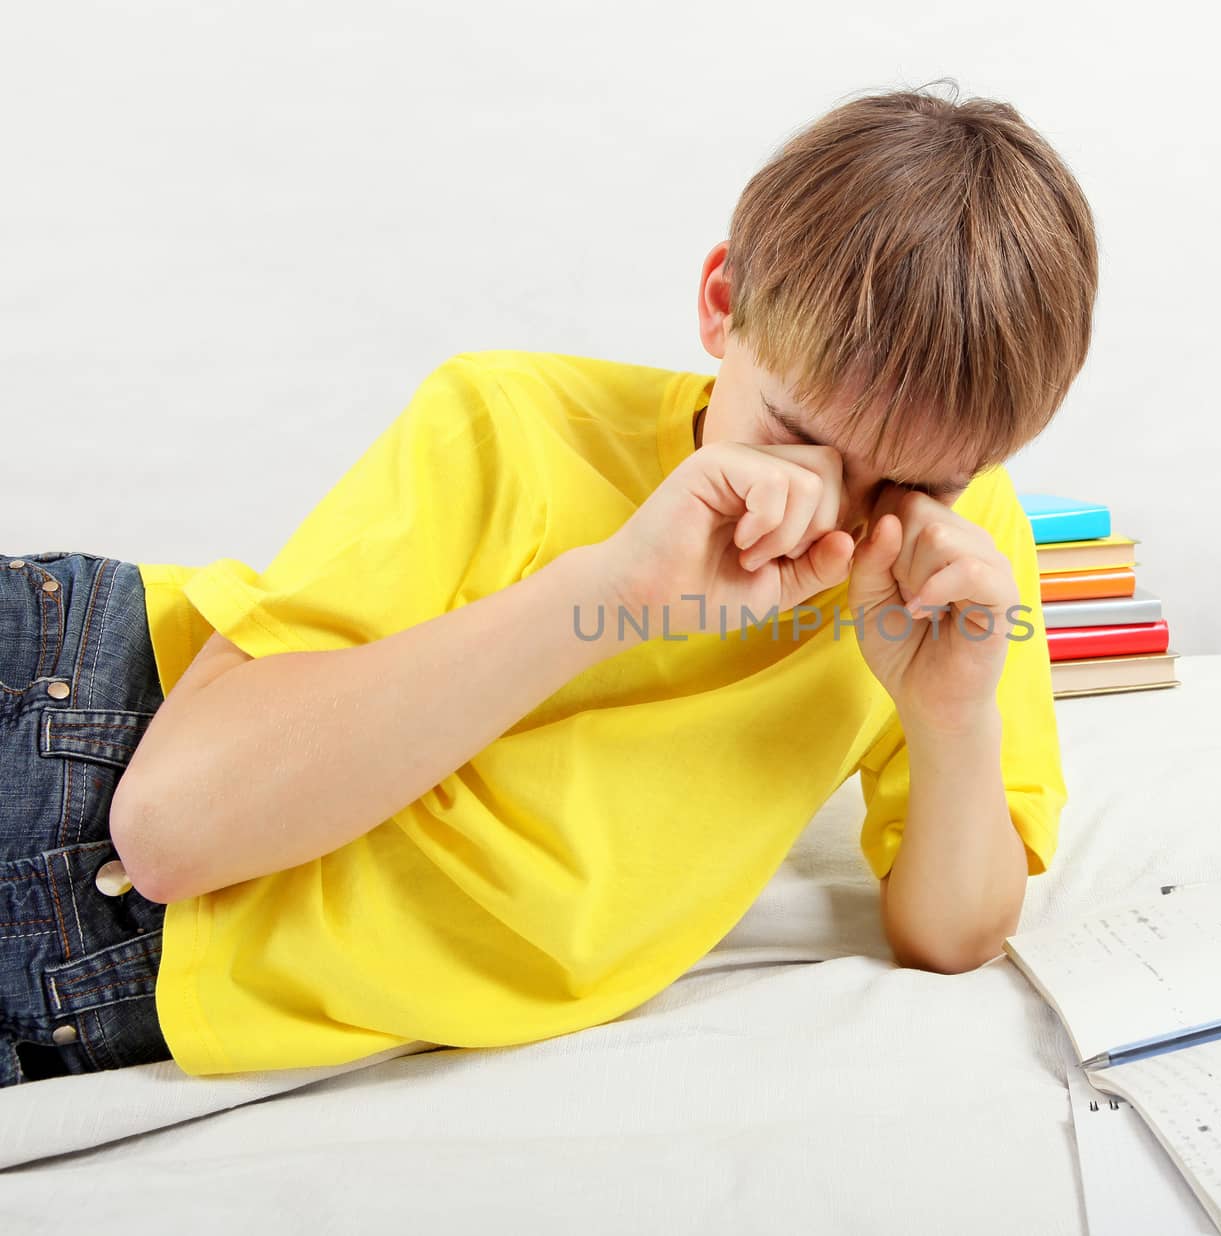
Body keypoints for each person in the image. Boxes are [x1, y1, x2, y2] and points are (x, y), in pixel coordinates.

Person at [0, 82, 1097, 1086]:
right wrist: (613, 593)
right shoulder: (512, 426)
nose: (838, 509)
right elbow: (170, 827)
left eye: (918, 480)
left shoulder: (956, 556)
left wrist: (947, 716)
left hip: (100, 992)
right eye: (797, 434)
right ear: (722, 302)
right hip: (75, 726)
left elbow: (955, 933)